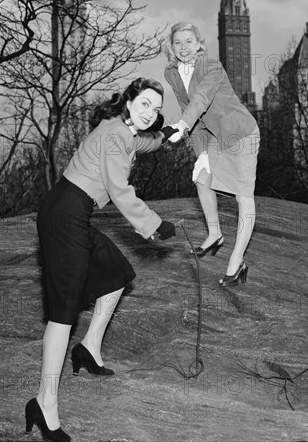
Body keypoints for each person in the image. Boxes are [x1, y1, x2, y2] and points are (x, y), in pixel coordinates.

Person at [26, 78, 178, 442]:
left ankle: (89, 349)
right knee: (63, 314)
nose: (150, 113)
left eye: (156, 108)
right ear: (128, 101)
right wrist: (153, 225)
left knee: (116, 275)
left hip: (71, 213)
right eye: (144, 104)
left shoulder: (122, 131)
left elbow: (144, 143)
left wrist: (166, 134)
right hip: (65, 215)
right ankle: (43, 404)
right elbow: (118, 189)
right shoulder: (114, 134)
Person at [163, 22, 260, 288]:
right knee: (201, 178)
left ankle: (237, 261)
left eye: (189, 41)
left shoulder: (212, 66)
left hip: (240, 133)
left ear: (199, 43)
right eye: (178, 43)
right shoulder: (171, 73)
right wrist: (201, 153)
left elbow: (200, 101)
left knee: (243, 197)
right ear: (171, 47)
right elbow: (190, 111)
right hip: (215, 135)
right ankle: (215, 233)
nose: (184, 47)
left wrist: (180, 125)